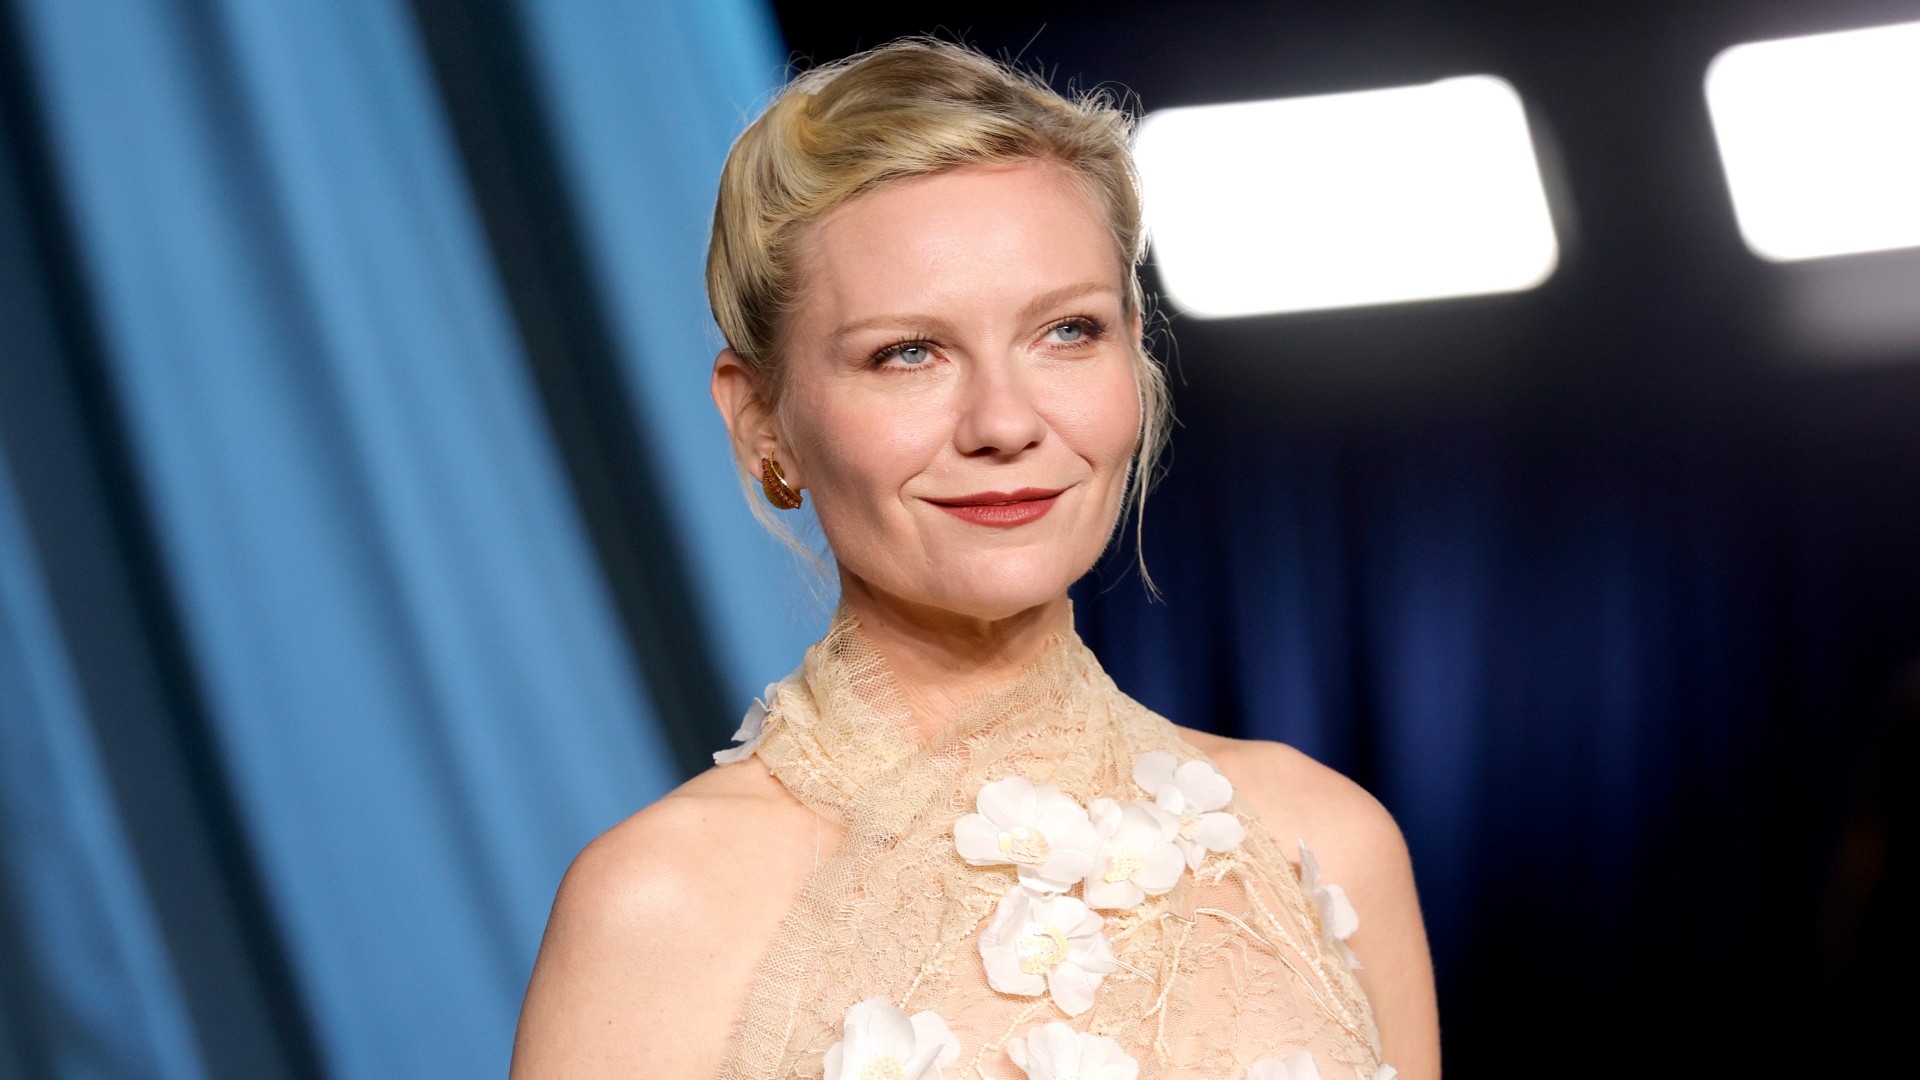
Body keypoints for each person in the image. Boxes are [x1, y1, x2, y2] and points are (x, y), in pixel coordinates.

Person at [509, 39, 1439, 1080]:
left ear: (1136, 350)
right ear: (761, 416)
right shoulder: (660, 906)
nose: (1004, 422)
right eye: (909, 351)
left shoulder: (1329, 843)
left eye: (1068, 331)